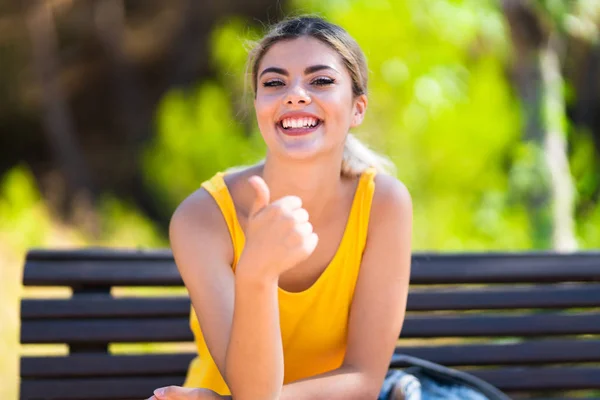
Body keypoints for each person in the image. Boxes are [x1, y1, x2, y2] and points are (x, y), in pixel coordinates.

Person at [147, 15, 413, 400]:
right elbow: (252, 392)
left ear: (358, 108)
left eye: (320, 80)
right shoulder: (202, 218)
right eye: (274, 83)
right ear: (258, 106)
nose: (296, 95)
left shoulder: (384, 204)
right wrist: (257, 271)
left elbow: (364, 380)